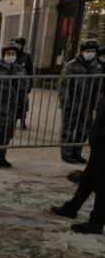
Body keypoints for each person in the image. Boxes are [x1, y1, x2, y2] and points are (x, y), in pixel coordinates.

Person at [51, 94, 105, 235]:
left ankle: (96, 223)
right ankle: (72, 207)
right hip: (99, 144)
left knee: (102, 185)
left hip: (102, 143)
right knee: (88, 179)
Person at [0, 42, 30, 168]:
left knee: (7, 134)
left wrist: (23, 107)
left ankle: (1, 156)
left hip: (13, 109)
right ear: (3, 55)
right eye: (8, 54)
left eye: (13, 54)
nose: (11, 56)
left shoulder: (21, 70)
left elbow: (25, 89)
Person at [59, 39, 103, 163]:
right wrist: (65, 103)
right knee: (68, 128)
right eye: (88, 51)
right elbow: (63, 85)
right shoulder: (71, 65)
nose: (90, 53)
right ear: (82, 51)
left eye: (93, 51)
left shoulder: (97, 67)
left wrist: (98, 105)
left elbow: (98, 88)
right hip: (73, 102)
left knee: (84, 129)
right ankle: (66, 153)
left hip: (87, 104)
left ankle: (77, 152)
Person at [12, 37, 34, 129]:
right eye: (16, 44)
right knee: (13, 103)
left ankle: (22, 122)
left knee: (24, 103)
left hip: (23, 85)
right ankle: (12, 121)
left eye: (19, 44)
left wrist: (30, 84)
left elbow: (30, 71)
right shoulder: (10, 54)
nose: (18, 46)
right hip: (13, 85)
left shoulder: (26, 57)